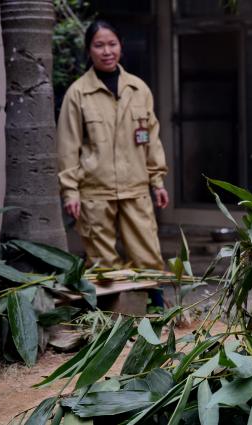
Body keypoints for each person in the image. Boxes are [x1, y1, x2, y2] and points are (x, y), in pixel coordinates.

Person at [56, 20, 169, 276]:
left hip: (136, 189)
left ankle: (155, 312)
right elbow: (67, 145)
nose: (107, 51)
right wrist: (70, 192)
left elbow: (151, 139)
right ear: (88, 50)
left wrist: (158, 182)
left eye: (112, 44)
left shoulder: (138, 89)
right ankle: (112, 314)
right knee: (103, 267)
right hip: (95, 192)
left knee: (148, 261)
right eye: (99, 45)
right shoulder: (78, 93)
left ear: (121, 47)